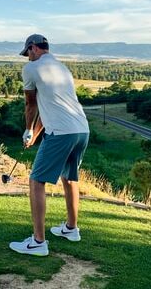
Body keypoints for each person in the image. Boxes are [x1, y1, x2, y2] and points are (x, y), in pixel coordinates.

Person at [9, 34, 90, 256]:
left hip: (61, 133)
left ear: (34, 48)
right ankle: (71, 229)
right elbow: (50, 108)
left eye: (28, 53)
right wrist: (34, 135)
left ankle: (38, 242)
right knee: (70, 177)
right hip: (81, 129)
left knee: (36, 181)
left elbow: (30, 103)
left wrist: (26, 128)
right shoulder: (62, 68)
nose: (27, 58)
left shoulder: (32, 69)